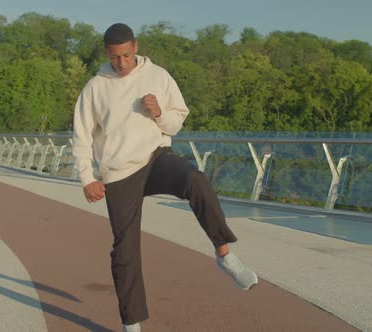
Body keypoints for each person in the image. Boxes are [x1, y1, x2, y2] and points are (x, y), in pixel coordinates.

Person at [72, 23, 258, 332]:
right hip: (119, 173)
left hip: (156, 158)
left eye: (127, 55)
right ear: (107, 54)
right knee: (124, 250)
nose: (122, 63)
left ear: (136, 47)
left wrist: (158, 113)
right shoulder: (95, 87)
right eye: (115, 57)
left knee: (195, 180)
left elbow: (175, 123)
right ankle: (132, 324)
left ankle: (224, 255)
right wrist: (86, 177)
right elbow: (81, 137)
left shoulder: (158, 76)